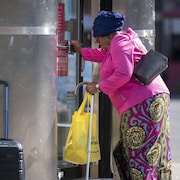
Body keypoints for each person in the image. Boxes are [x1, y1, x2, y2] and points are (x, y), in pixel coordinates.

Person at [72, 10, 171, 180]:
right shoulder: (122, 42)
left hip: (143, 104)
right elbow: (104, 55)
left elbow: (124, 73)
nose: (97, 41)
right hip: (152, 99)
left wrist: (99, 87)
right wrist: (81, 51)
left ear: (108, 35)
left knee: (139, 156)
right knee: (147, 153)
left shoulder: (119, 43)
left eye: (98, 37)